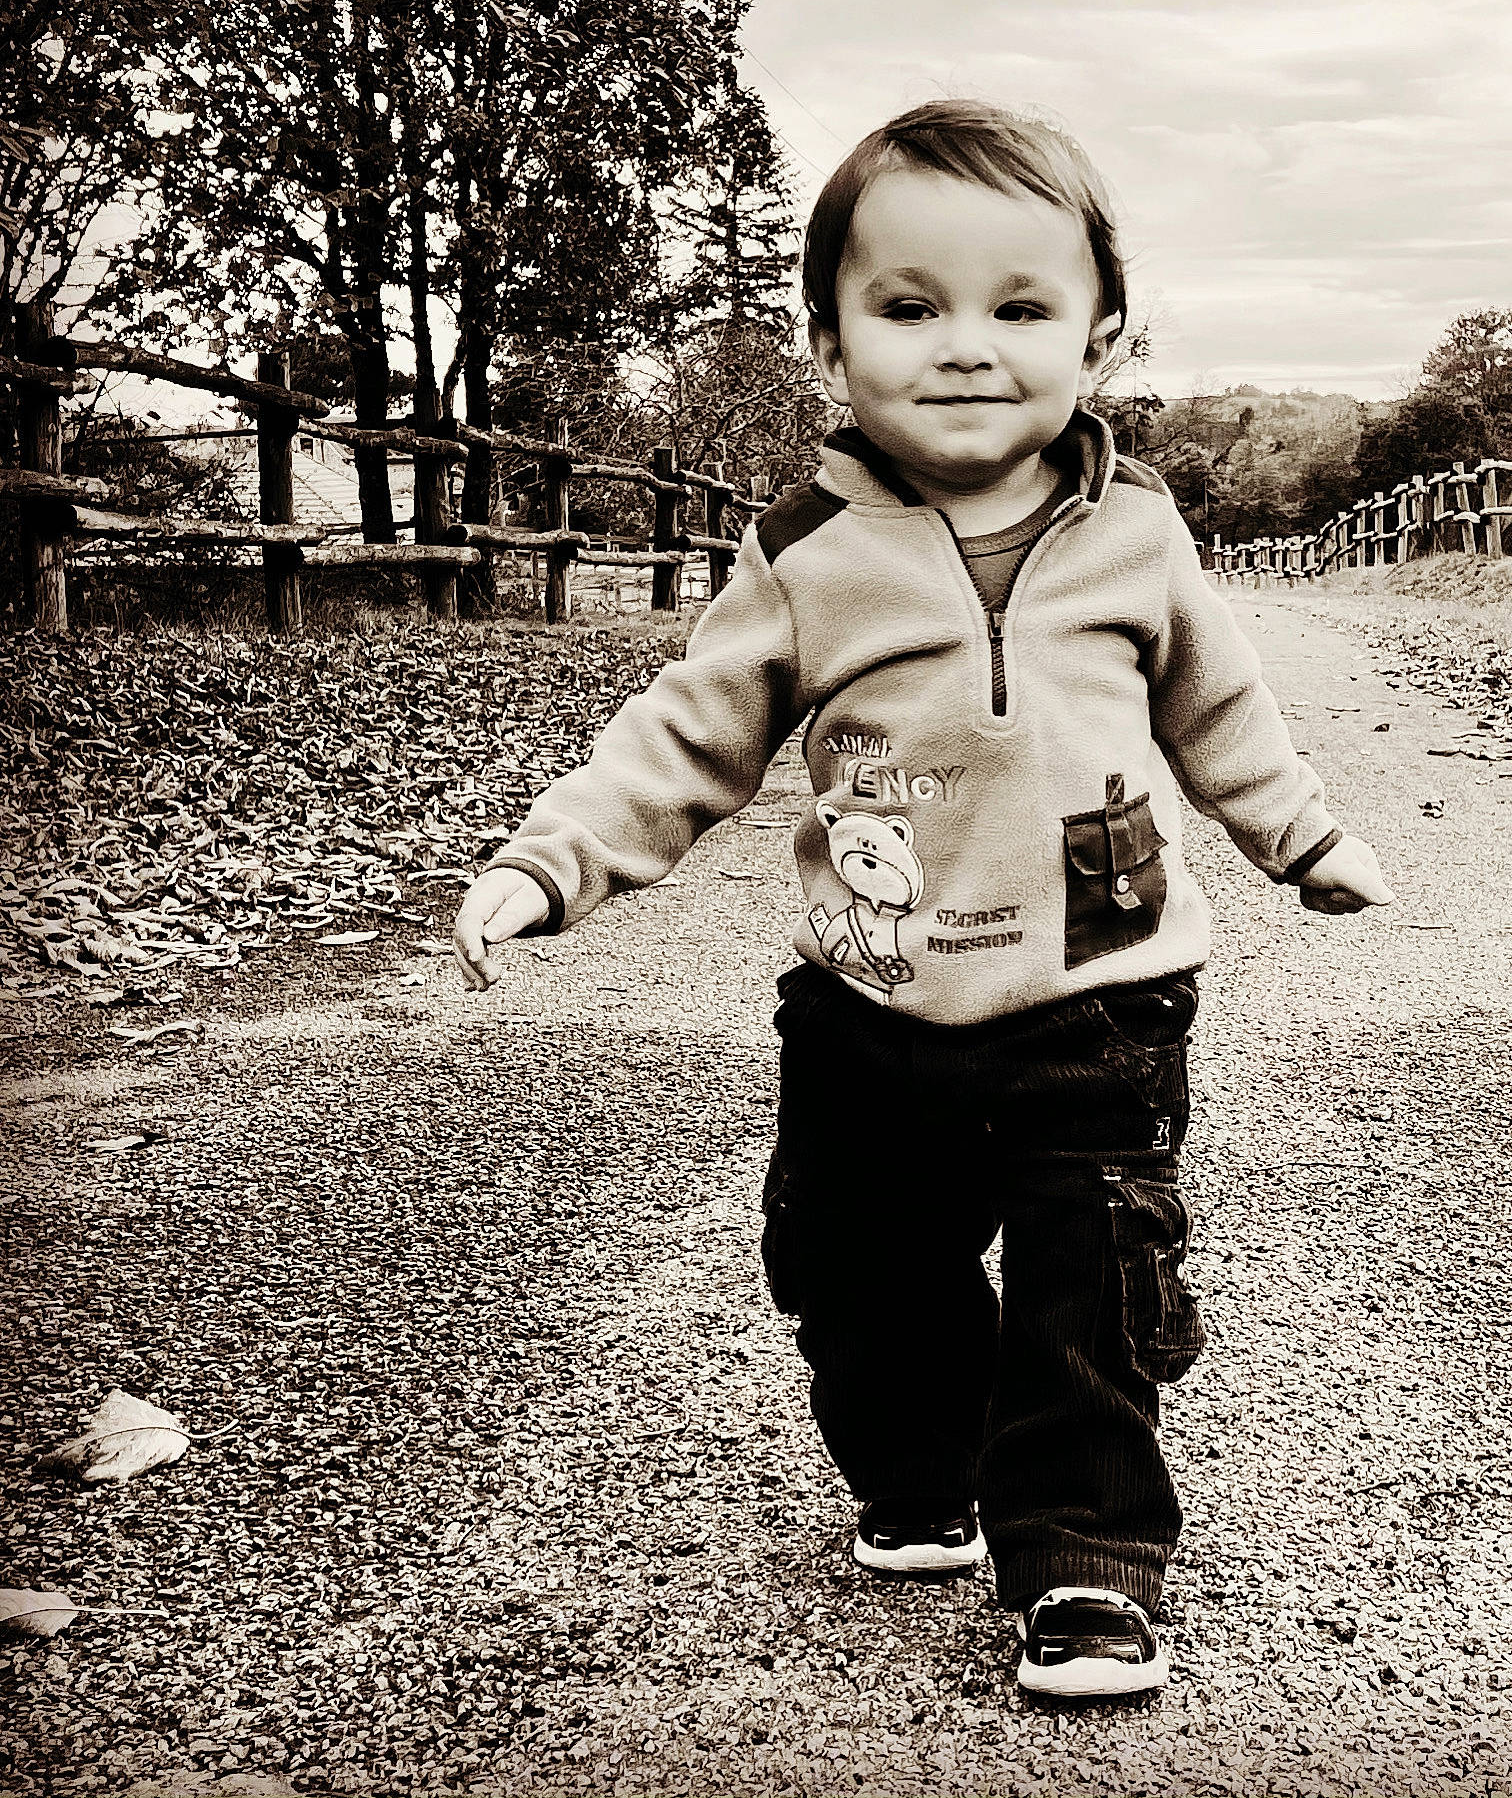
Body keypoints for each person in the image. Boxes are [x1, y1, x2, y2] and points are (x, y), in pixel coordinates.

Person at [453, 100, 1394, 1698]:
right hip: (868, 1005)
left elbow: (1221, 715)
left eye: (1019, 309)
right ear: (829, 346)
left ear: (1100, 339)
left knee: (1089, 1276)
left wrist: (1301, 835)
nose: (966, 348)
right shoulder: (808, 551)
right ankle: (921, 1467)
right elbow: (687, 734)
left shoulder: (1139, 533)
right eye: (909, 307)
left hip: (1098, 993)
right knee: (859, 1270)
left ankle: (1084, 1558)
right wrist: (549, 860)